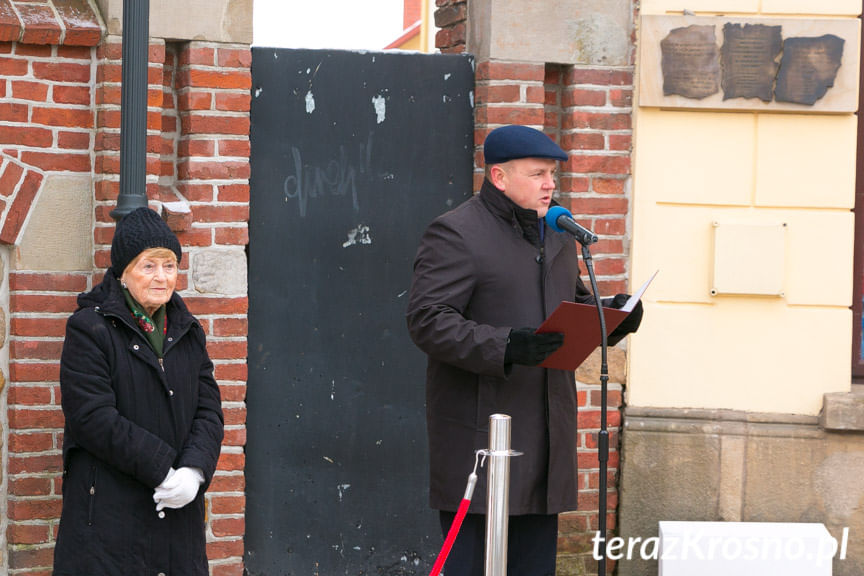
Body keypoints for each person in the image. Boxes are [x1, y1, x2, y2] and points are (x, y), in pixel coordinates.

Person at [406, 125, 642, 576]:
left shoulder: (556, 234)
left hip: (546, 438)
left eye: (551, 174)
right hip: (483, 434)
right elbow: (427, 321)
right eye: (537, 174)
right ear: (499, 177)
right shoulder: (456, 232)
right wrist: (508, 344)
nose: (550, 184)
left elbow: (565, 305)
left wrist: (610, 315)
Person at [53, 207, 224, 575]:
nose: (162, 278)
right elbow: (92, 418)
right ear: (123, 272)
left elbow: (209, 410)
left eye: (170, 266)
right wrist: (164, 470)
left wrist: (192, 473)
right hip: (109, 522)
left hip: (178, 518)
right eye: (149, 266)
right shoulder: (90, 329)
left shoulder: (187, 331)